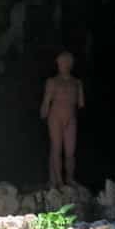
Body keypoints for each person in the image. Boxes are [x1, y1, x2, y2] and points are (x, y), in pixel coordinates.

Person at [40, 51, 85, 188]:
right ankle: (58, 180)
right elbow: (46, 101)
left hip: (71, 118)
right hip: (55, 117)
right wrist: (43, 113)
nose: (62, 65)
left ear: (70, 64)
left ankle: (70, 178)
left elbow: (81, 103)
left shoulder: (77, 83)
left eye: (65, 62)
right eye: (60, 62)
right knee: (56, 148)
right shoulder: (52, 81)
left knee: (70, 151)